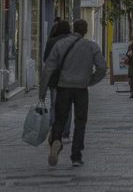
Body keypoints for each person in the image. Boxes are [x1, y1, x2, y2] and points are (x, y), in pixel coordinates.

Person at [39, 19, 106, 167]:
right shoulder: (91, 46)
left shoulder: (60, 44)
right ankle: (76, 155)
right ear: (85, 30)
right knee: (80, 121)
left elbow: (48, 69)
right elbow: (102, 67)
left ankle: (56, 139)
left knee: (60, 118)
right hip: (81, 88)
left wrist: (42, 91)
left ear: (73, 28)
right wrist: (91, 80)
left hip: (63, 86)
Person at [43, 20, 72, 140]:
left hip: (55, 79)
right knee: (68, 106)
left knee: (54, 105)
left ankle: (55, 130)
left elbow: (46, 60)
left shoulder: (51, 42)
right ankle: (65, 132)